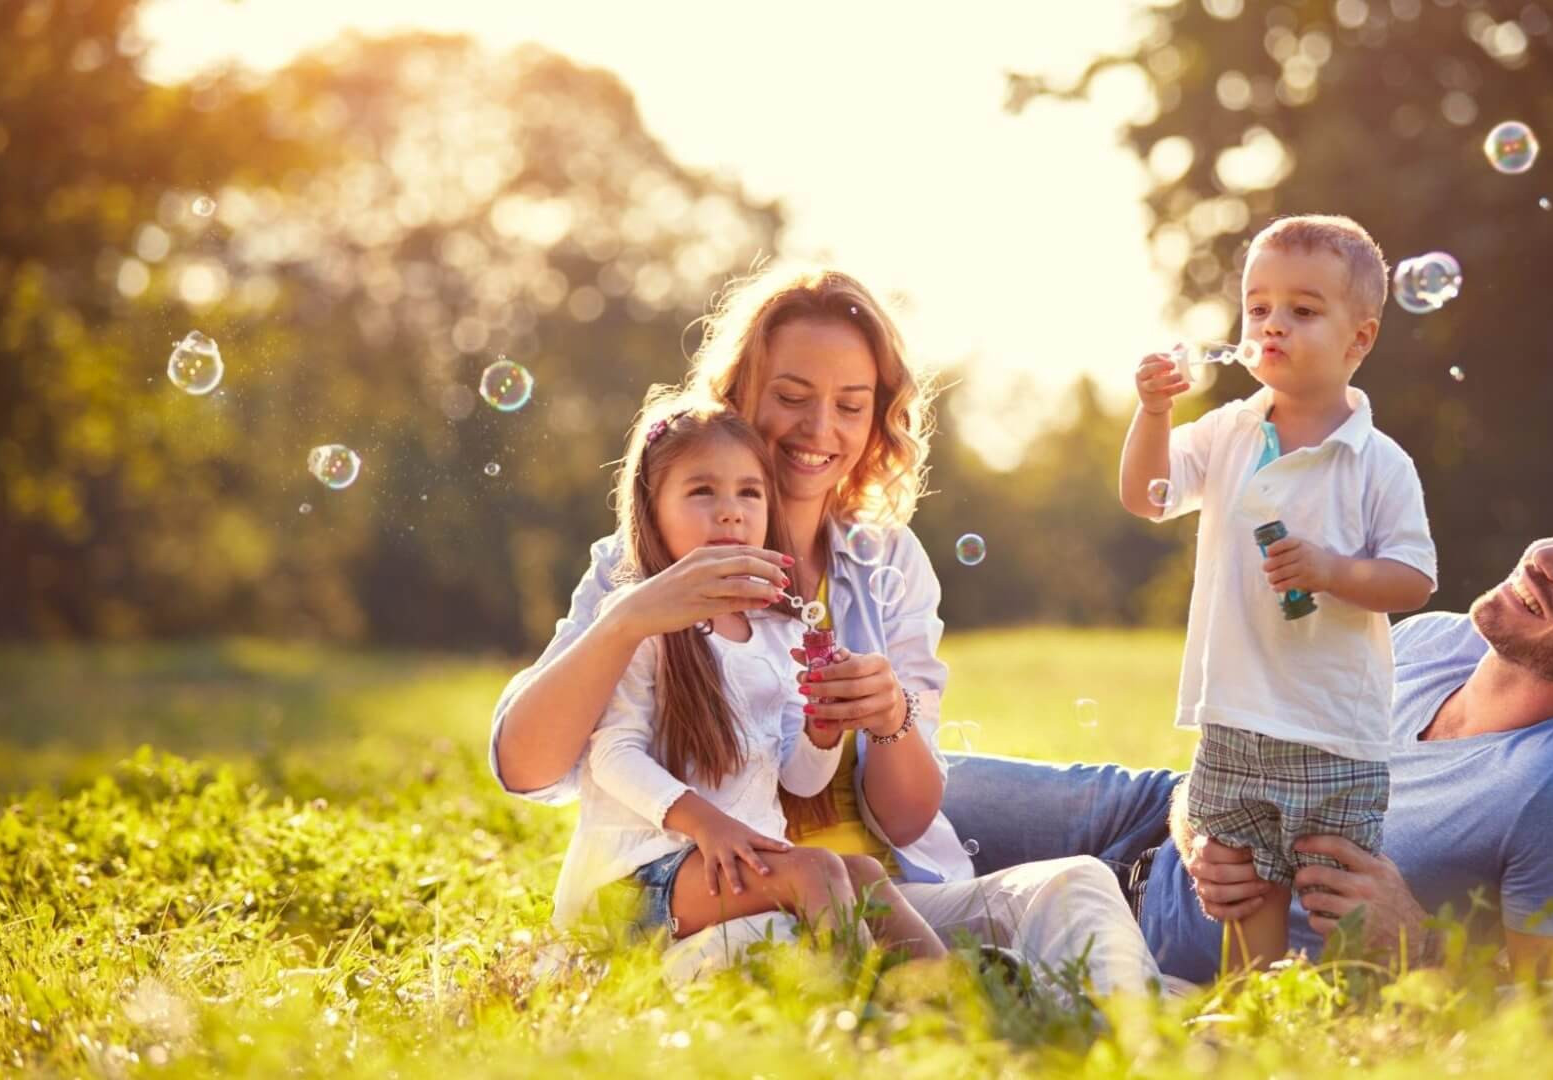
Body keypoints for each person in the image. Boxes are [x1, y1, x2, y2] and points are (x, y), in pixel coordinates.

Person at [490, 265, 1159, 994]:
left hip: (884, 894)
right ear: (739, 396)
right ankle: (960, 1014)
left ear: (878, 417)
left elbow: (902, 821)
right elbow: (526, 768)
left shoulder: (887, 562)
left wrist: (886, 717)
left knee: (1078, 886)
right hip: (720, 903)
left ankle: (1140, 1046)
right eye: (791, 397)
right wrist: (625, 620)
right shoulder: (647, 564)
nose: (819, 430)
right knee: (820, 965)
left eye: (851, 404)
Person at [940, 494, 1553, 982]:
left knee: (883, 910)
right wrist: (1195, 817)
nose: (1546, 558)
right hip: (1147, 815)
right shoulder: (1435, 640)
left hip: (1170, 938)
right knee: (890, 782)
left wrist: (1421, 948)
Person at [1118, 214, 1437, 966]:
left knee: (1336, 889)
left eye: (1302, 310)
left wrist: (1332, 571)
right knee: (1244, 884)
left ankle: (1358, 1008)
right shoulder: (1229, 431)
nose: (1272, 325)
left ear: (1359, 340)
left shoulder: (1377, 463)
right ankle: (1256, 1006)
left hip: (1333, 725)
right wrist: (1155, 412)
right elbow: (1148, 494)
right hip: (1235, 712)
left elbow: (1414, 579)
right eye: (1258, 307)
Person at [556, 397, 946, 959]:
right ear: (651, 508)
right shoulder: (639, 618)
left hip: (732, 864)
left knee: (860, 873)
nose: (731, 511)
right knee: (814, 870)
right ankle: (866, 1012)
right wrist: (708, 825)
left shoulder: (776, 632)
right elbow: (611, 755)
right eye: (702, 492)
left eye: (749, 492)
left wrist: (822, 730)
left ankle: (954, 998)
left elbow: (802, 780)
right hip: (636, 879)